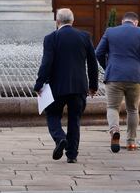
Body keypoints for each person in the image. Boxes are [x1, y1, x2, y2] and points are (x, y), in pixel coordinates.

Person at [33, 8, 99, 164]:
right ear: (72, 20)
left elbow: (46, 63)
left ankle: (60, 138)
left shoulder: (51, 38)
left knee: (53, 115)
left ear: (57, 21)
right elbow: (92, 64)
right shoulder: (84, 36)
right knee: (74, 119)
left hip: (57, 86)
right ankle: (72, 154)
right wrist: (93, 85)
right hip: (79, 86)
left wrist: (39, 83)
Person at [95, 11, 140, 153]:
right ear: (136, 22)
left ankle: (114, 130)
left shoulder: (110, 32)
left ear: (123, 21)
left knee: (112, 107)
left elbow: (98, 52)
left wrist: (108, 67)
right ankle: (131, 142)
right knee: (133, 109)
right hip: (135, 75)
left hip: (114, 75)